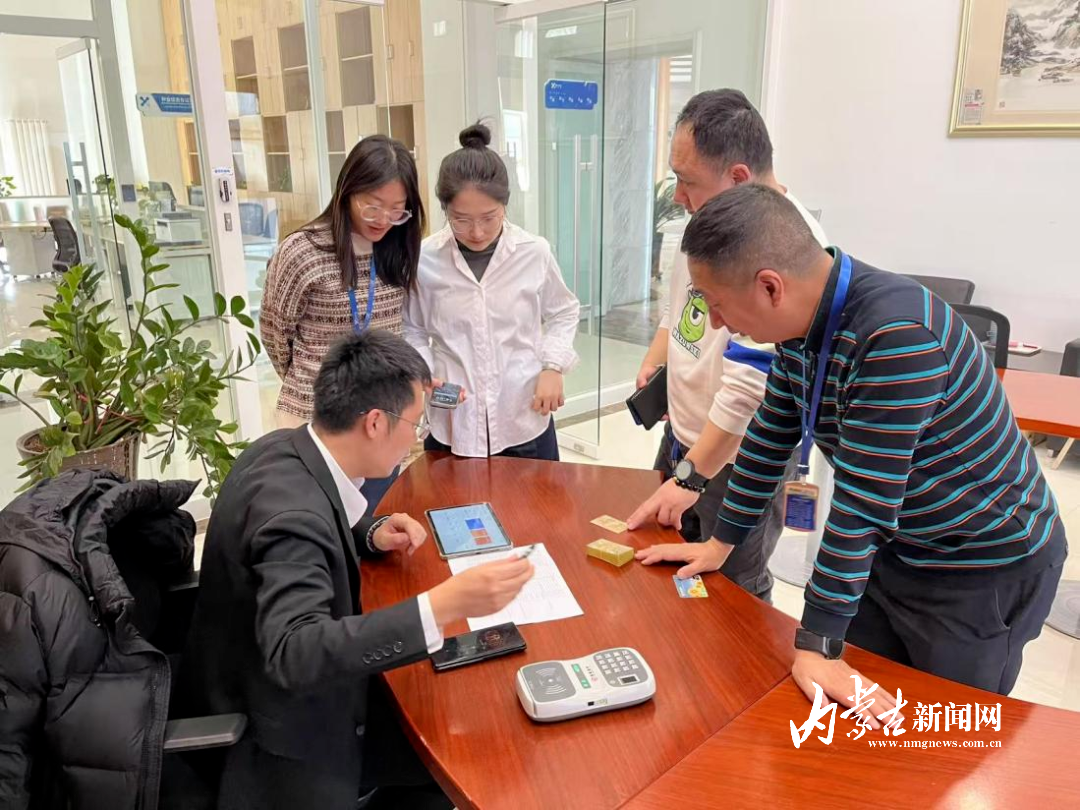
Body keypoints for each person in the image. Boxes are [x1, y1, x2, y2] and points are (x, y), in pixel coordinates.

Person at [639, 183, 1067, 720]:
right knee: (857, 714)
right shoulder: (803, 325)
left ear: (770, 287)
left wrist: (817, 642)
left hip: (980, 565)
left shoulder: (898, 335)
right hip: (899, 548)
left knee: (938, 731)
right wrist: (720, 542)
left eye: (718, 304)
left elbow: (863, 502)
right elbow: (771, 433)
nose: (718, 323)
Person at [180, 330, 535, 809]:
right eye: (414, 423)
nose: (414, 438)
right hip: (280, 741)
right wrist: (442, 605)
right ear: (374, 422)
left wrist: (370, 532)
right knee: (460, 746)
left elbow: (312, 523)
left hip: (245, 681)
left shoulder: (282, 449)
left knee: (443, 738)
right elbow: (295, 652)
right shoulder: (293, 519)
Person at [626, 89, 828, 602]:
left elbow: (751, 384)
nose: (677, 195)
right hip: (685, 437)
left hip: (736, 457)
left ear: (737, 178)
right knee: (671, 568)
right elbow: (679, 310)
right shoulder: (706, 221)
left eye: (687, 181)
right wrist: (657, 363)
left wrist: (691, 478)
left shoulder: (787, 244)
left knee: (733, 591)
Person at [261, 134, 425, 514]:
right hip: (316, 422)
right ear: (347, 192)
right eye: (373, 207)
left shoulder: (398, 247)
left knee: (375, 528)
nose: (383, 221)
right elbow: (275, 334)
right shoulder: (303, 251)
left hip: (380, 423)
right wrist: (319, 381)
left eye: (397, 210)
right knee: (320, 526)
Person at [403, 124, 579, 460]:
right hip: (453, 421)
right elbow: (413, 328)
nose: (477, 232)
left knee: (535, 496)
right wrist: (425, 373)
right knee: (450, 495)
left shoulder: (533, 252)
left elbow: (564, 311)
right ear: (444, 209)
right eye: (460, 219)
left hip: (523, 415)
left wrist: (553, 366)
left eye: (489, 218)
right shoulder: (425, 259)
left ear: (505, 205)